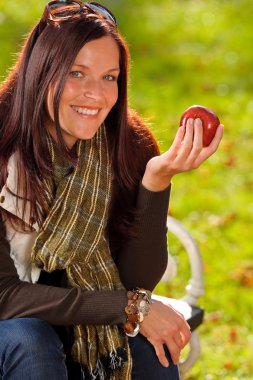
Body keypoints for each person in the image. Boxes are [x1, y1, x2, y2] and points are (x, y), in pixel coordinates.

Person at [0, 1, 224, 379]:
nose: (96, 95)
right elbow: (5, 296)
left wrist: (157, 180)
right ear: (41, 71)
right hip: (14, 320)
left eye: (109, 77)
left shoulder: (126, 143)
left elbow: (137, 283)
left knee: (153, 351)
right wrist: (129, 307)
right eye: (76, 73)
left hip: (81, 314)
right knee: (29, 339)